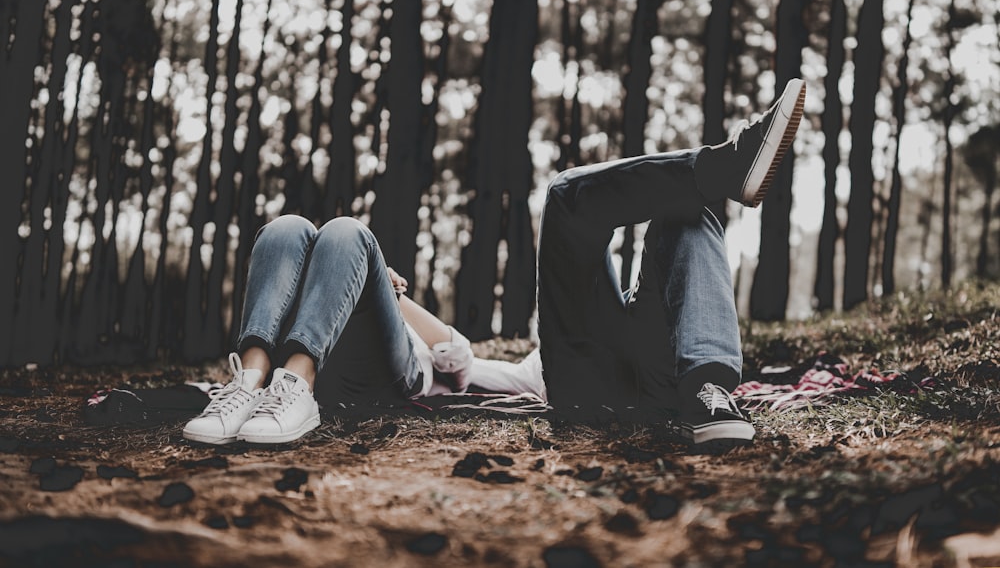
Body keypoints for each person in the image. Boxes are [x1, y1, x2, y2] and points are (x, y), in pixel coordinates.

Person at [183, 78, 806, 451]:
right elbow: (458, 362)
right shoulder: (509, 372)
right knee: (568, 197)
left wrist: (391, 296)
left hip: (662, 364)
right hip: (586, 380)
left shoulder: (508, 361)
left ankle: (709, 390)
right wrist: (393, 301)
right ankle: (721, 170)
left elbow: (452, 356)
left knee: (687, 211)